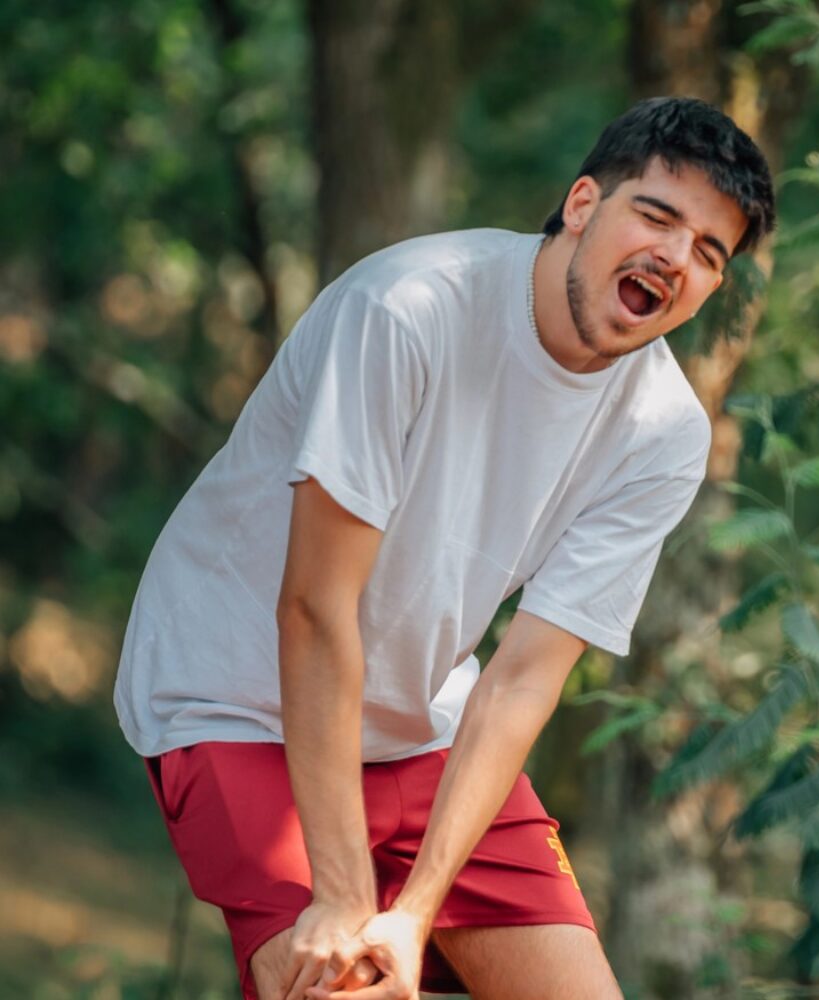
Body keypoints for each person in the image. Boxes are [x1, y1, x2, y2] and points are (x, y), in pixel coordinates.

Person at [112, 95, 775, 1000]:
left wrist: (415, 911)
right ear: (583, 203)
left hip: (423, 724)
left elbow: (524, 678)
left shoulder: (664, 432)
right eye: (656, 216)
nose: (674, 257)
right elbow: (313, 607)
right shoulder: (409, 308)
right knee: (331, 983)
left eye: (708, 253)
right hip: (238, 697)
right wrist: (346, 897)